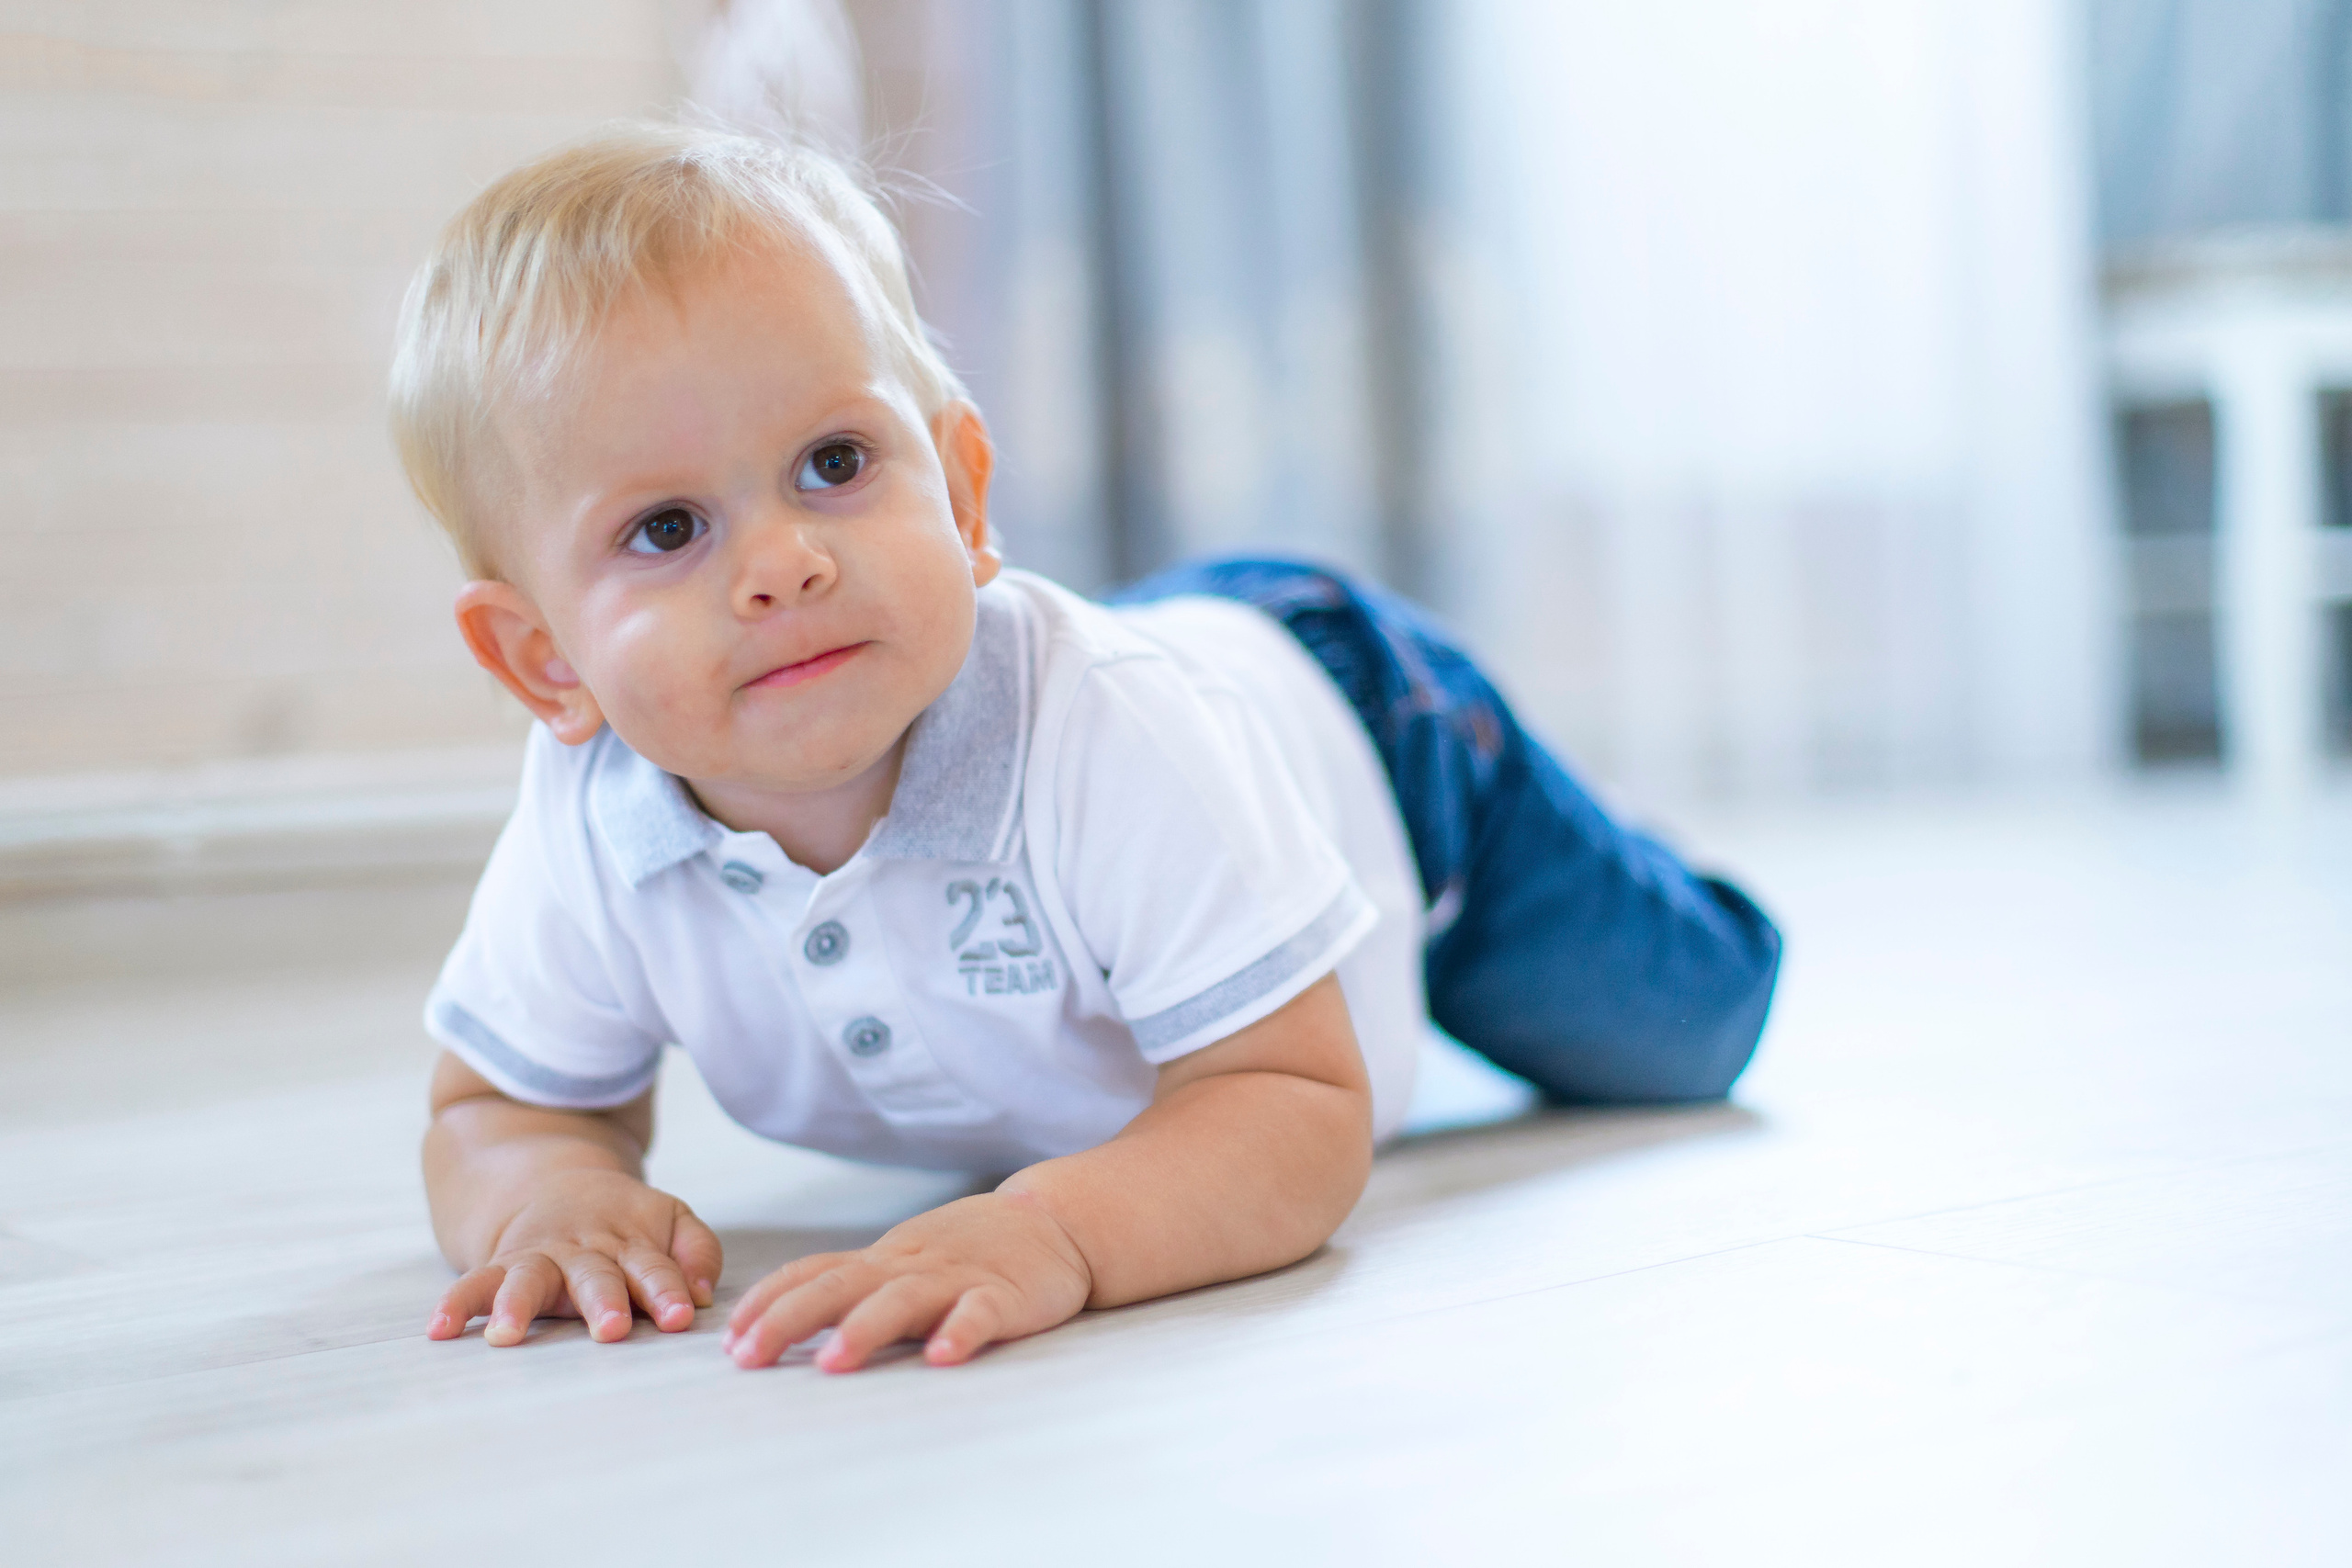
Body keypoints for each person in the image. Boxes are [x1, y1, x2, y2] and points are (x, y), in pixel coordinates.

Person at [392, 125, 1781, 1375]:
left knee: (1687, 1031)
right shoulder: (592, 820)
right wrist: (547, 1194)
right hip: (1185, 712)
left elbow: (1292, 1103)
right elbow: (492, 1107)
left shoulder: (1116, 742)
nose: (783, 564)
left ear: (963, 488)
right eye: (665, 530)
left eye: (833, 463)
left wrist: (1052, 1231)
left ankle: (1607, 835)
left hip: (1383, 753)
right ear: (543, 662)